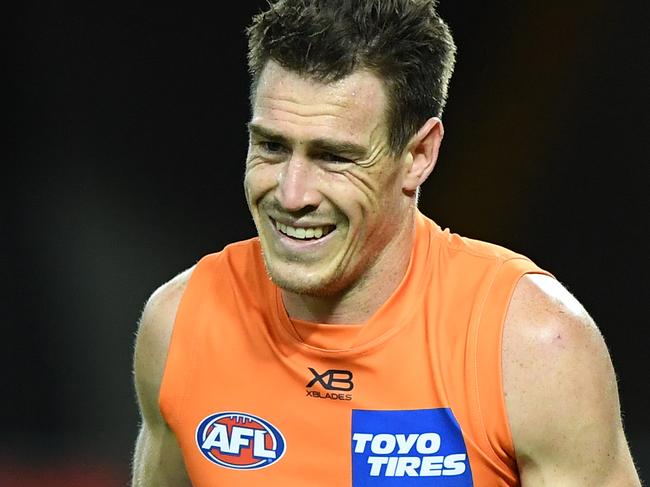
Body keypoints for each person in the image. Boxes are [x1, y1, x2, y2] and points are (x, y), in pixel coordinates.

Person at [131, 0, 641, 485]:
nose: (292, 193)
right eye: (271, 146)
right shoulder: (180, 324)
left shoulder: (531, 346)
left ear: (419, 155)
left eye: (334, 157)